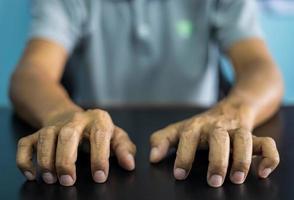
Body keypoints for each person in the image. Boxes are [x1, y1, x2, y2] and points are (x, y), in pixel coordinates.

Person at [10, 0, 283, 188]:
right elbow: (31, 73)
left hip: (199, 154)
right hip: (96, 155)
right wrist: (61, 114)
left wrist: (232, 112)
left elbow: (260, 68)